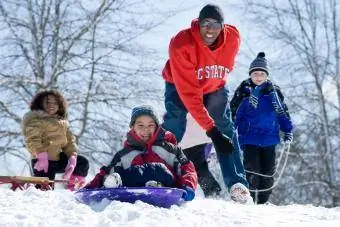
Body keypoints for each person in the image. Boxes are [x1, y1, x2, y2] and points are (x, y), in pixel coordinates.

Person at [161, 3, 251, 202]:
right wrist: (211, 131)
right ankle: (159, 172)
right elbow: (190, 95)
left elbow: (225, 66)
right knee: (175, 122)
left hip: (213, 87)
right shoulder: (181, 43)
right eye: (205, 23)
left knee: (226, 127)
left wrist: (218, 129)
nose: (210, 29)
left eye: (215, 24)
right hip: (179, 84)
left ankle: (237, 184)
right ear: (198, 23)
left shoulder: (233, 39)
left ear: (223, 26)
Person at [84, 105, 198, 202]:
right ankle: (117, 185)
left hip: (166, 187)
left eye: (151, 125)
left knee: (159, 169)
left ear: (157, 127)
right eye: (140, 125)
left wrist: (188, 186)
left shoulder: (170, 149)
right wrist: (87, 189)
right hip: (132, 187)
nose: (146, 130)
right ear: (132, 127)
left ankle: (157, 186)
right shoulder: (124, 154)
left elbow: (186, 168)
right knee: (115, 175)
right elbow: (106, 172)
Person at [230, 52, 293, 204]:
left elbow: (282, 112)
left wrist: (287, 130)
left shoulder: (274, 92)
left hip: (269, 138)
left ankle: (263, 202)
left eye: (262, 74)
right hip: (249, 137)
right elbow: (234, 112)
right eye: (255, 73)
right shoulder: (244, 90)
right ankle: (250, 199)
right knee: (252, 169)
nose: (258, 77)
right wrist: (230, 132)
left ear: (267, 75)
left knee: (268, 172)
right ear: (251, 74)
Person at [21, 90, 89, 190]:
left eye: (55, 103)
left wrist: (72, 157)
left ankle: (72, 185)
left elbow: (70, 141)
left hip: (58, 160)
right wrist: (40, 155)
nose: (51, 105)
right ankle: (37, 190)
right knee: (46, 188)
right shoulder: (35, 120)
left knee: (82, 162)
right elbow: (32, 139)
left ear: (60, 105)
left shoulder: (62, 123)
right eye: (48, 102)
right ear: (40, 103)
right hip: (42, 161)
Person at [180, 114, 221, 197]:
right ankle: (212, 190)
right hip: (195, 135)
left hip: (192, 136)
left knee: (196, 165)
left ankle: (212, 190)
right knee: (196, 165)